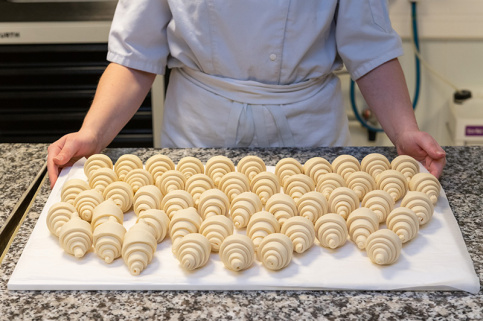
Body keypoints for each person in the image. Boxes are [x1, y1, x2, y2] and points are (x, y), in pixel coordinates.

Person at [47, 1, 446, 188]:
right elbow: (135, 55)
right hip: (199, 141)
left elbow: (370, 50)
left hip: (309, 143)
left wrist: (404, 131)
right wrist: (92, 134)